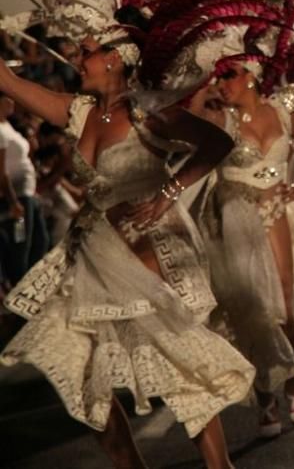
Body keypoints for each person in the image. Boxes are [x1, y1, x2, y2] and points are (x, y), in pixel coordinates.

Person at [0, 38, 253, 469]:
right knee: (77, 368)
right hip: (89, 256)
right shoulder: (77, 111)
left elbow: (216, 143)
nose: (79, 60)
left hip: (147, 253)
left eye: (88, 51)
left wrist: (169, 193)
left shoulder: (146, 111)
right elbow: (7, 80)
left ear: (115, 57)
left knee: (179, 366)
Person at [197, 61, 294, 437]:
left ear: (250, 74)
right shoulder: (219, 118)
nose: (222, 83)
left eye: (228, 74)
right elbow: (187, 136)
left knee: (285, 311)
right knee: (249, 309)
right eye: (217, 76)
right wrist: (201, 95)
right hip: (234, 223)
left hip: (275, 217)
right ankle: (265, 396)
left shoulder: (282, 112)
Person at [0, 93, 48, 287]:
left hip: (28, 194)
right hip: (18, 197)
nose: (11, 102)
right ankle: (18, 292)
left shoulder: (7, 125)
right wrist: (13, 202)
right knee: (21, 245)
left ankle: (29, 288)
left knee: (40, 241)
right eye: (6, 99)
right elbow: (1, 170)